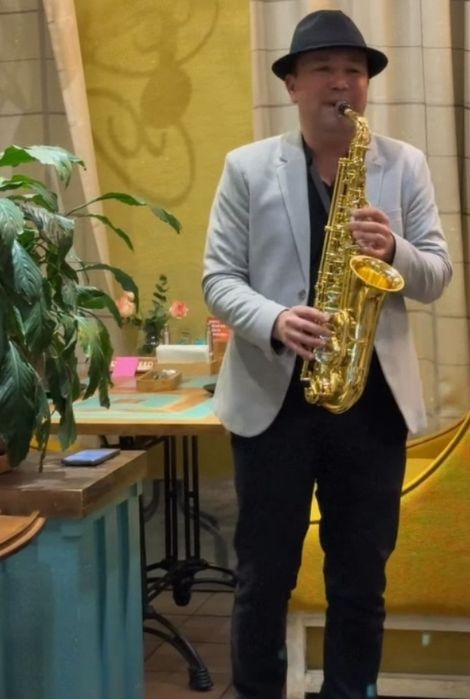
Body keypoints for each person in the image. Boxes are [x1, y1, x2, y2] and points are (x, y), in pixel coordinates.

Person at [202, 9, 452, 699]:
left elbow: (436, 275)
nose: (342, 83)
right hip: (272, 403)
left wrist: (393, 248)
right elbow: (218, 278)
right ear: (292, 84)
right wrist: (276, 319)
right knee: (264, 576)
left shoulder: (404, 165)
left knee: (361, 578)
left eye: (354, 71)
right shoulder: (247, 167)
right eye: (324, 70)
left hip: (371, 406)